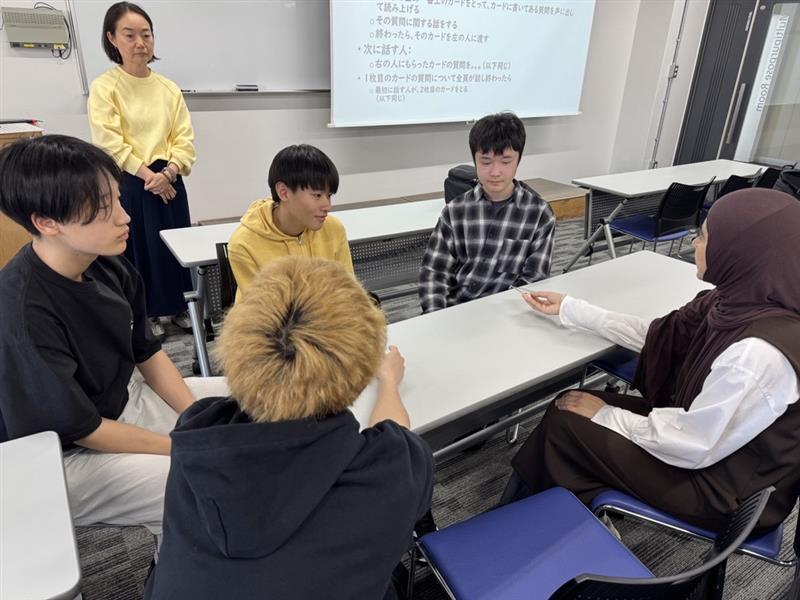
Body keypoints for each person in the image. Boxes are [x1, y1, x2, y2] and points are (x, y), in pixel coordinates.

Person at [506, 188, 800, 532]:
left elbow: (691, 444)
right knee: (568, 406)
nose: (694, 243)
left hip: (723, 490)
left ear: (738, 253)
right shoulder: (737, 300)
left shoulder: (757, 353)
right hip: (707, 445)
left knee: (566, 427)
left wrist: (604, 415)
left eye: (704, 237)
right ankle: (565, 520)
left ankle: (525, 527)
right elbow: (662, 335)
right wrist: (572, 309)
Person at [144, 257, 433, 600]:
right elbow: (395, 432)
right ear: (362, 366)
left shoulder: (198, 434)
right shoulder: (393, 468)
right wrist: (387, 382)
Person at [0, 134, 228, 537]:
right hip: (60, 453)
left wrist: (195, 417)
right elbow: (81, 427)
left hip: (120, 402)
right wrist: (185, 445)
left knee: (246, 402)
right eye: (104, 209)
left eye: (118, 200)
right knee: (199, 480)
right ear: (46, 222)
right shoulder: (21, 310)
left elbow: (147, 351)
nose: (125, 218)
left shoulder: (106, 262)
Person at [88, 1, 195, 337]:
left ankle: (180, 307)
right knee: (138, 249)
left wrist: (170, 172)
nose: (140, 43)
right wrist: (150, 176)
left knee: (175, 246)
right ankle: (145, 314)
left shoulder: (168, 88)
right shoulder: (105, 87)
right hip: (131, 182)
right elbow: (109, 142)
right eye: (129, 35)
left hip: (170, 180)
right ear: (112, 39)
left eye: (146, 35)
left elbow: (184, 138)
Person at [419, 112, 555, 313]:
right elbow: (434, 273)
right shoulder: (455, 212)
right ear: (474, 161)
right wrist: (436, 316)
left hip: (508, 314)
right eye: (485, 161)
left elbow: (533, 280)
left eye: (505, 161)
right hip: (454, 311)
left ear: (518, 160)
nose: (495, 172)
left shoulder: (539, 214)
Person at [228, 144, 353, 301]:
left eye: (329, 195)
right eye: (317, 195)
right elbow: (264, 309)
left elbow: (347, 291)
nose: (327, 205)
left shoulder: (334, 228)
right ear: (284, 192)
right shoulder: (243, 244)